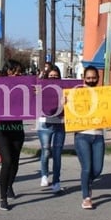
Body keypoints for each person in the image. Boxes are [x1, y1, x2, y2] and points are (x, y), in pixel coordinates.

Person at [0, 60, 26, 211]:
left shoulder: (24, 88)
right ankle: (3, 198)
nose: (18, 74)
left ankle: (9, 185)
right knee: (7, 160)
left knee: (14, 162)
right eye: (15, 72)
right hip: (2, 128)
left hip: (17, 127)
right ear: (8, 72)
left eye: (20, 72)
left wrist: (35, 94)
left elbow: (33, 105)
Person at [74, 65, 105, 210]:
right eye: (88, 78)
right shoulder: (76, 92)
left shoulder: (104, 93)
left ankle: (87, 183)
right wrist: (65, 103)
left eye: (94, 78)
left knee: (97, 169)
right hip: (82, 135)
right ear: (83, 78)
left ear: (98, 78)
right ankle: (86, 197)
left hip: (98, 135)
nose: (91, 80)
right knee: (86, 168)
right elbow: (65, 109)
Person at [37, 65, 65, 193]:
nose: (53, 78)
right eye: (51, 76)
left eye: (56, 76)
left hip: (60, 123)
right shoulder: (41, 88)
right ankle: (44, 175)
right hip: (44, 124)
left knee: (57, 154)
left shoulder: (64, 89)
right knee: (46, 151)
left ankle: (56, 181)